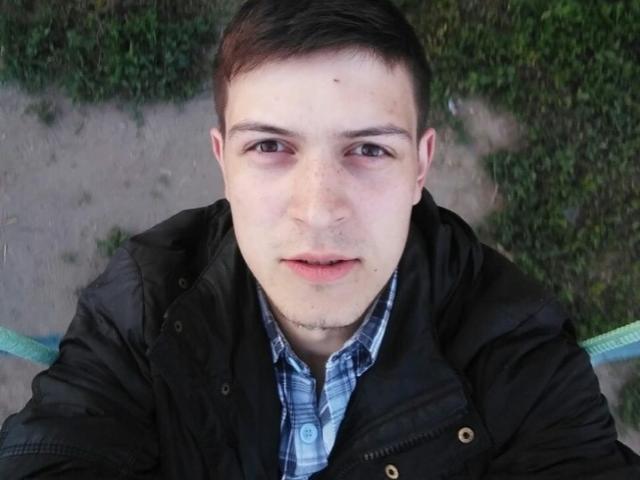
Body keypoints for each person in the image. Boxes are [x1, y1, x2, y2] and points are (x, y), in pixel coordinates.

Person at [1, 0, 639, 478]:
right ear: (224, 162)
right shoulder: (144, 307)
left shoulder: (513, 350)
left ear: (421, 165)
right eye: (269, 146)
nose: (318, 212)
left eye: (369, 149)